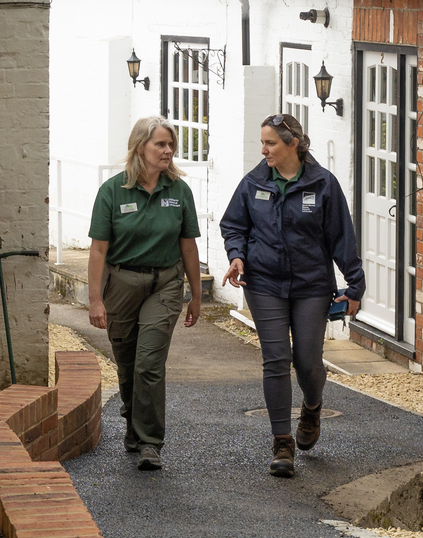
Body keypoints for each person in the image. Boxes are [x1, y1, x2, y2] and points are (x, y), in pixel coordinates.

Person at [219, 113, 364, 477]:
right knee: (275, 357)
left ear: (292, 144)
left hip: (311, 285)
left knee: (308, 361)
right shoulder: (253, 182)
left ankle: (312, 406)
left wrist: (355, 285)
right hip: (264, 282)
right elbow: (234, 225)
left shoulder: (323, 184)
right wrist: (236, 256)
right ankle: (282, 442)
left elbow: (342, 238)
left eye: (270, 143)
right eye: (263, 142)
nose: (264, 149)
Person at [86, 117, 203, 471]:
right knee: (127, 364)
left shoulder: (179, 191)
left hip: (164, 284)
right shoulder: (113, 191)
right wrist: (94, 299)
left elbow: (189, 247)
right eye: (160, 145)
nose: (167, 151)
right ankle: (133, 420)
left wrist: (195, 296)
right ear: (140, 147)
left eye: (170, 145)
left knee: (149, 362)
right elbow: (97, 250)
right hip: (121, 284)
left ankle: (150, 441)